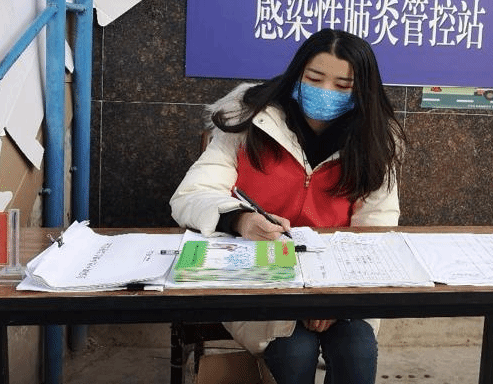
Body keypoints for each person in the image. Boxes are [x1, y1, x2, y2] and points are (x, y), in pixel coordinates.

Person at [170, 29, 405, 384]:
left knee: (357, 348)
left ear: (362, 91)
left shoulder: (374, 140)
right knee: (295, 351)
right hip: (258, 277)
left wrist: (335, 298)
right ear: (297, 75)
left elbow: (376, 227)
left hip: (338, 280)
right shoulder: (249, 118)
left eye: (342, 85)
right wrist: (240, 220)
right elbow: (192, 194)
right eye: (314, 78)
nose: (326, 91)